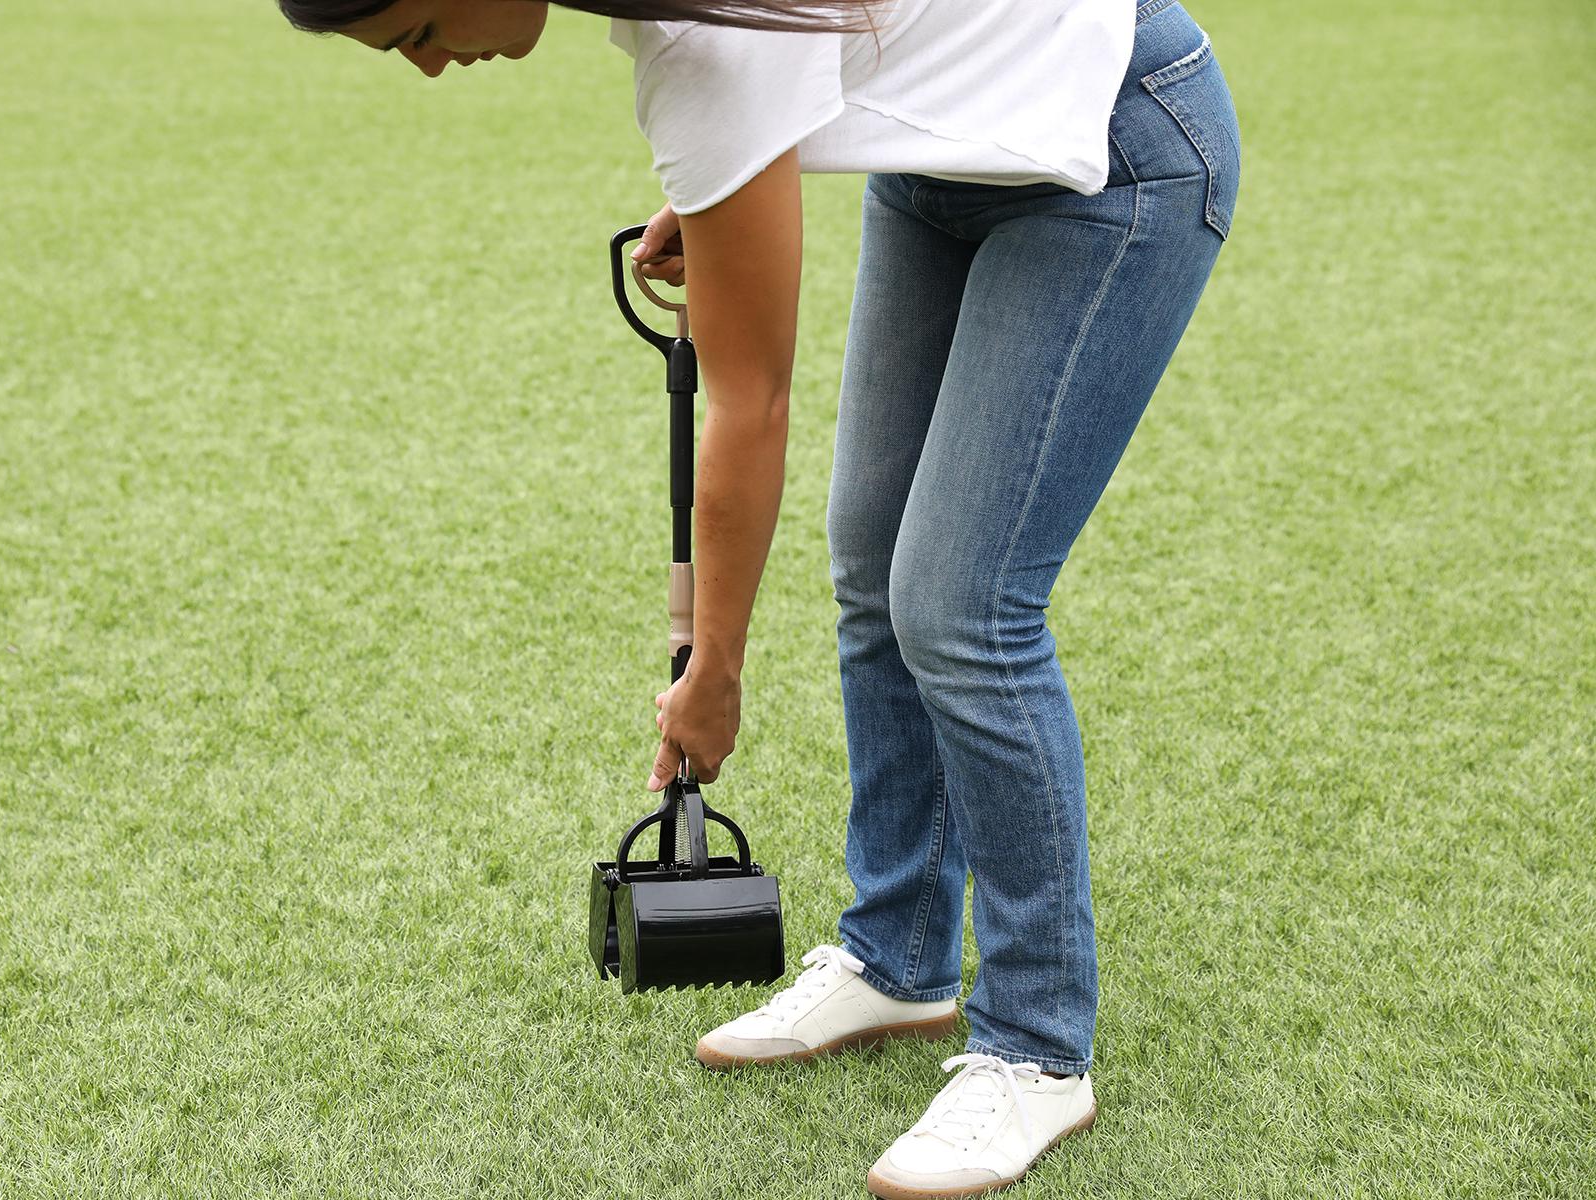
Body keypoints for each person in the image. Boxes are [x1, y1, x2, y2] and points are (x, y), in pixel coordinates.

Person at [278, 0, 1241, 1194]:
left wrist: (713, 670)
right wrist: (726, 183)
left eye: (419, 26)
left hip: (1117, 150)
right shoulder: (693, 41)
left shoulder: (700, 47)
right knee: (873, 569)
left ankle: (1040, 1048)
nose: (429, 64)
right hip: (942, 166)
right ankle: (900, 960)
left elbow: (750, 402)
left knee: (961, 607)